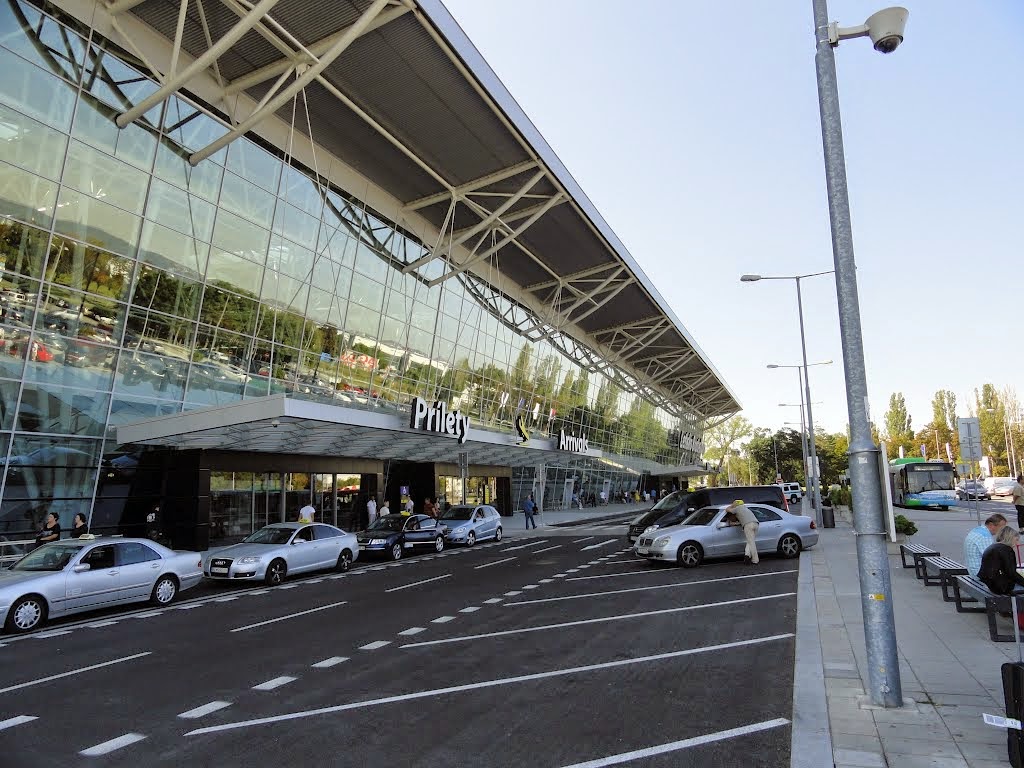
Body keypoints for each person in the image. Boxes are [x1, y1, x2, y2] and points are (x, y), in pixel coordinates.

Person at [979, 526, 1024, 595]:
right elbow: (1012, 574)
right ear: (1010, 538)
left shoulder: (994, 546)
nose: (1017, 543)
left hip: (990, 584)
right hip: (1000, 587)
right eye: (1016, 540)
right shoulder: (1007, 550)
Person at [724, 499, 759, 565]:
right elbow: (742, 521)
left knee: (751, 543)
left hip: (748, 525)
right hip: (756, 524)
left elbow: (727, 509)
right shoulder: (745, 508)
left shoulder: (737, 509)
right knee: (750, 541)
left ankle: (755, 560)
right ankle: (747, 555)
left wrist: (731, 505)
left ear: (736, 504)